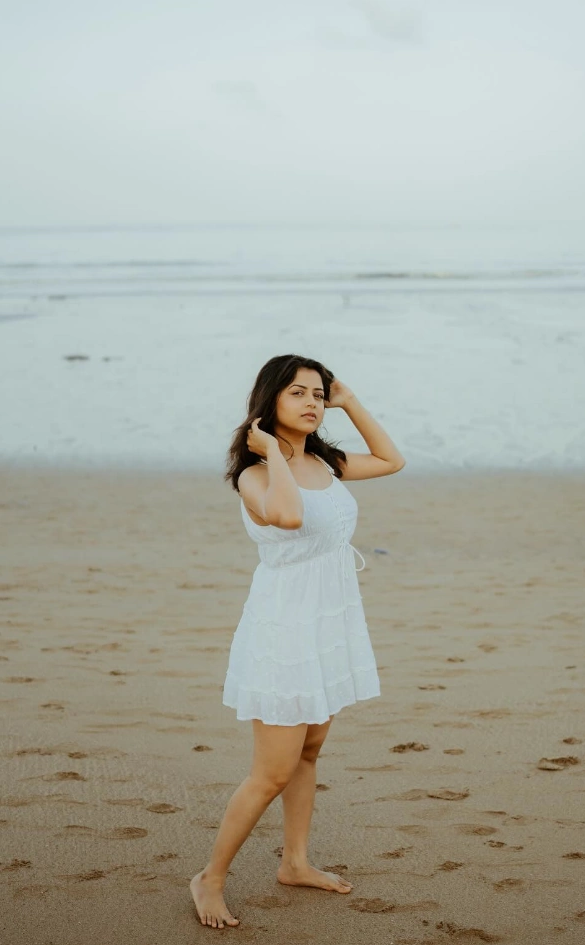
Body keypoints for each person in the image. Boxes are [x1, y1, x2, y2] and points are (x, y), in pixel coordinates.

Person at [190, 353, 405, 929]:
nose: (312, 403)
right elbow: (286, 516)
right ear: (268, 403)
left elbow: (392, 459)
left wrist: (351, 400)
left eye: (318, 393)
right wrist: (269, 452)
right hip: (285, 629)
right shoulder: (254, 476)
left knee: (310, 750)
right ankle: (209, 879)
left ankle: (295, 861)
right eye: (297, 394)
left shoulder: (326, 461)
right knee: (271, 771)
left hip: (329, 621)